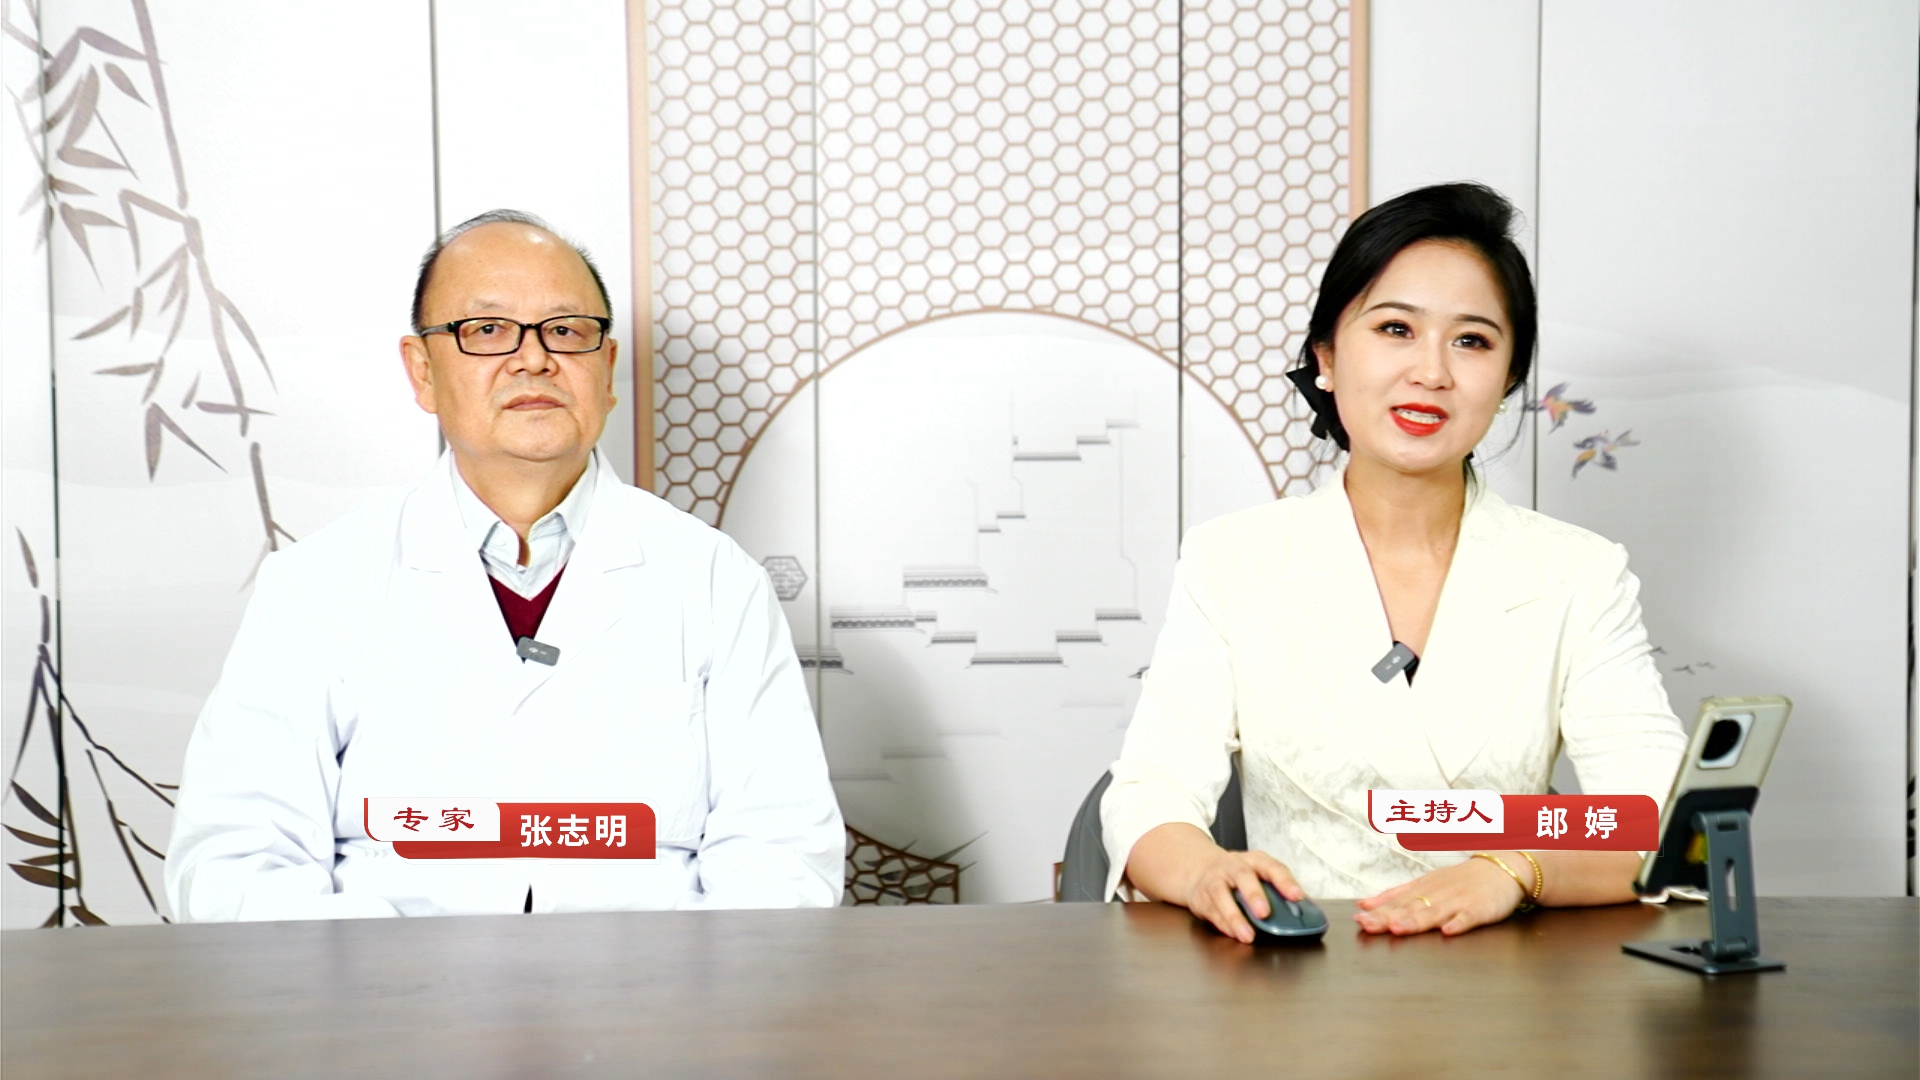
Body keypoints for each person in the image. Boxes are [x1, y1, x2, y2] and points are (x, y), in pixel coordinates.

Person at [165, 210, 843, 920]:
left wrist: (660, 984)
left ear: (607, 369)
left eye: (566, 330)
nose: (533, 359)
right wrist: (392, 977)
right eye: (487, 330)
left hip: (657, 984)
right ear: (423, 371)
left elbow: (783, 858)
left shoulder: (714, 582)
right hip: (379, 984)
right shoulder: (317, 585)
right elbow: (233, 864)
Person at [1100, 183, 1685, 941]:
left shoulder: (1580, 574)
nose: (1431, 372)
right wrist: (1207, 872)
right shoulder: (1232, 560)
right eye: (1396, 328)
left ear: (1508, 379)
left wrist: (1513, 869)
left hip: (1509, 978)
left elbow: (1660, 820)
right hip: (1299, 969)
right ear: (1327, 356)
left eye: (1471, 341)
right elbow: (1152, 795)